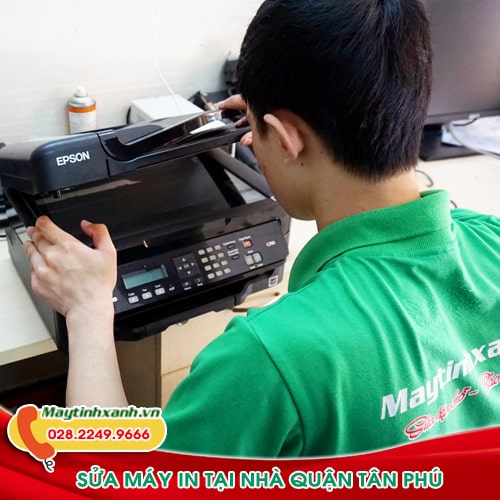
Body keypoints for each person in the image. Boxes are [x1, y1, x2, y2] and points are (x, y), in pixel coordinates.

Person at [25, 0, 500, 457]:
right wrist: (271, 119)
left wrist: (87, 312)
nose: (252, 139)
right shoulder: (491, 241)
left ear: (289, 139)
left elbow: (115, 480)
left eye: (257, 129)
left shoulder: (267, 359)